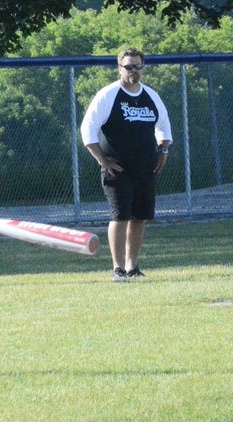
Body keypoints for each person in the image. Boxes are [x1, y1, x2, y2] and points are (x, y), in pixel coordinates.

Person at [80, 47, 173, 282]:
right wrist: (103, 160)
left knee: (139, 217)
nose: (134, 71)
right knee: (120, 216)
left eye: (138, 66)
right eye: (129, 66)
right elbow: (87, 130)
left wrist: (162, 151)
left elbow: (164, 127)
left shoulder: (150, 95)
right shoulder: (108, 95)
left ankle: (133, 267)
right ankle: (118, 269)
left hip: (145, 166)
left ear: (143, 67)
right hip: (117, 168)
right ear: (119, 68)